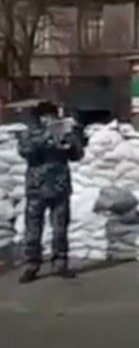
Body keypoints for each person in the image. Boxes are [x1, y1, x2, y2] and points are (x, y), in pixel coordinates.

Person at [17, 101, 85, 284]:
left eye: (52, 116)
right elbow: (25, 151)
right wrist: (49, 135)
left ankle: (60, 262)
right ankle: (32, 264)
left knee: (60, 228)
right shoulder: (30, 133)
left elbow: (77, 156)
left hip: (60, 187)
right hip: (36, 188)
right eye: (46, 117)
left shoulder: (64, 132)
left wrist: (73, 137)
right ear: (39, 118)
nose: (49, 120)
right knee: (33, 229)